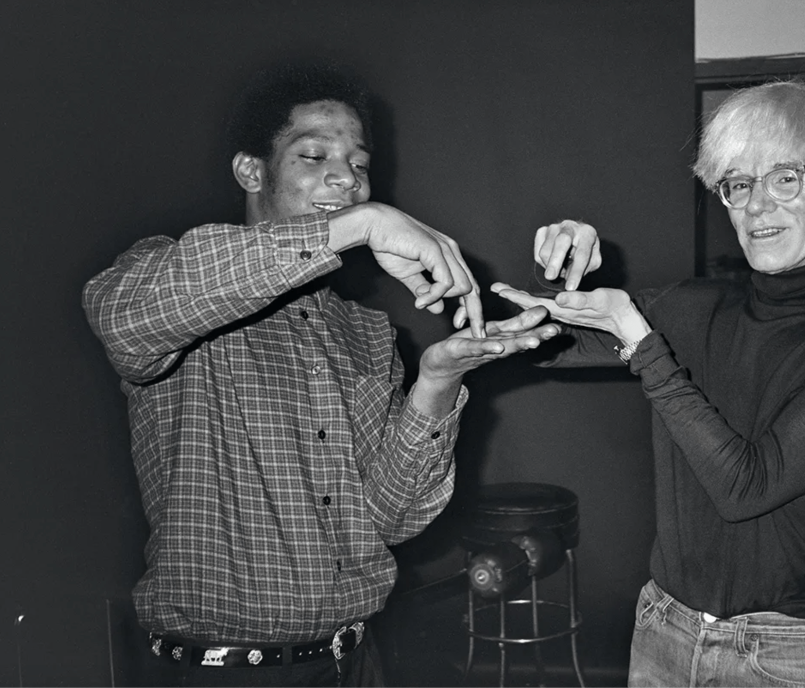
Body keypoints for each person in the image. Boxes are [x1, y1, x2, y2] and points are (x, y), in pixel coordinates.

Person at [82, 63, 558, 687]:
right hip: (225, 674)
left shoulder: (365, 333)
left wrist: (436, 384)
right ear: (252, 170)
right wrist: (358, 225)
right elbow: (123, 317)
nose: (346, 177)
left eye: (359, 164)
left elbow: (389, 519)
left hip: (357, 662)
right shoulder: (173, 280)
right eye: (313, 155)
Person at [493, 80, 805, 687]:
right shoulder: (692, 305)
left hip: (781, 653)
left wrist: (642, 344)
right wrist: (557, 274)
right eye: (737, 184)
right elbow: (535, 346)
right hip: (662, 630)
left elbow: (746, 487)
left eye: (785, 177)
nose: (756, 207)